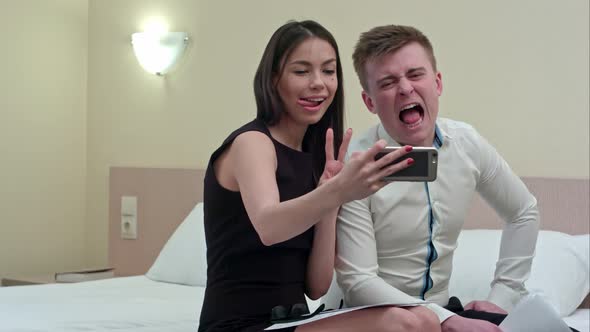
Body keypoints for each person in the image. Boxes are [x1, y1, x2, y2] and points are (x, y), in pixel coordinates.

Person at [198, 20, 441, 332]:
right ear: (274, 79)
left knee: (423, 318)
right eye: (301, 71)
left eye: (328, 71)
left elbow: (316, 286)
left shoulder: (317, 158)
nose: (319, 83)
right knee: (400, 324)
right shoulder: (253, 143)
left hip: (292, 321)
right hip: (240, 325)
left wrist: (329, 206)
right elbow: (269, 226)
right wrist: (337, 191)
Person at [335, 24, 541, 332]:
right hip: (379, 321)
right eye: (388, 82)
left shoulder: (467, 144)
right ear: (370, 102)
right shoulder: (355, 165)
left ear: (438, 82)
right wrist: (447, 320)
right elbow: (358, 281)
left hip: (446, 315)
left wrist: (504, 295)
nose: (405, 88)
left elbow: (524, 211)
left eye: (415, 74)